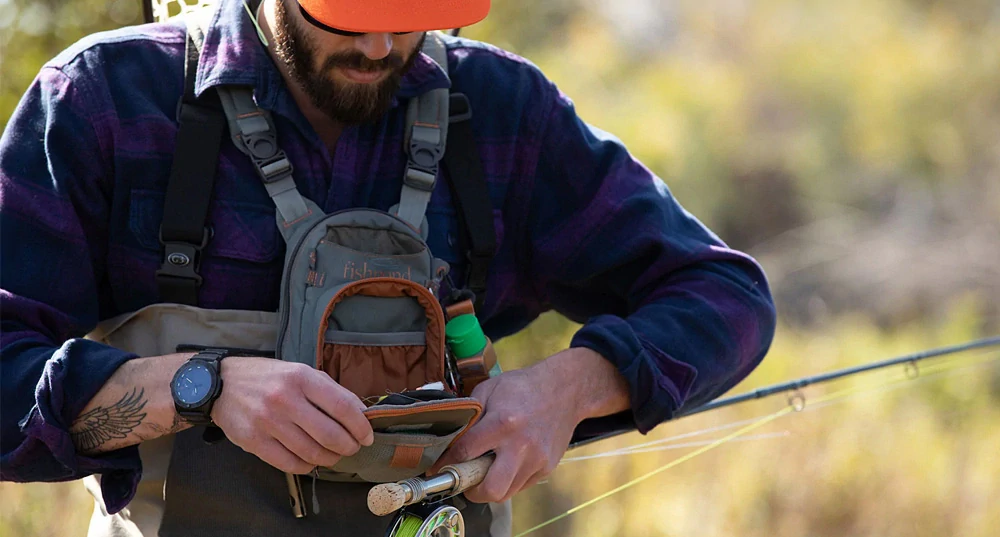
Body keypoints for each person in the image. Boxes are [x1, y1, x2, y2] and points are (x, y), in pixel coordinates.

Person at [0, 0, 777, 535]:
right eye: (353, 13)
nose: (380, 46)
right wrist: (202, 386)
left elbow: (725, 294)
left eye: (407, 14)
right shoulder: (103, 101)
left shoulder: (504, 112)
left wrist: (568, 389)